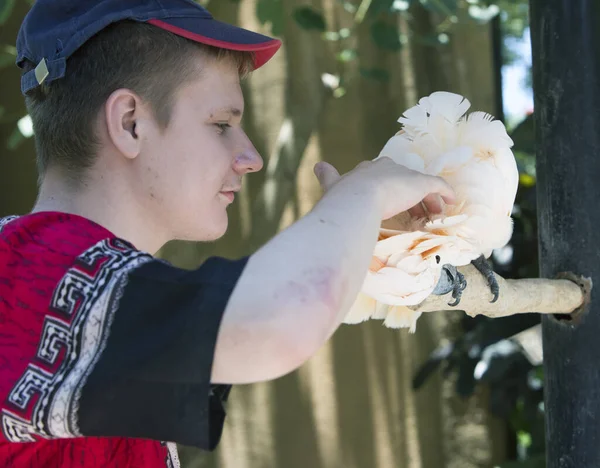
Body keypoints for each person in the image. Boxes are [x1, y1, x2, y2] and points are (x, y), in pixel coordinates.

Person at [0, 0, 455, 466]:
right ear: (129, 123)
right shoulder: (24, 272)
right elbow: (275, 326)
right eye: (221, 125)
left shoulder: (56, 279)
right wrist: (364, 195)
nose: (250, 157)